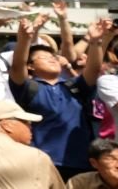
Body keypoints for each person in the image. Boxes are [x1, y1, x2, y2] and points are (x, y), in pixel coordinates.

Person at [10, 16, 112, 180]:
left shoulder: (74, 86)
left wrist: (96, 42)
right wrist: (23, 40)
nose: (51, 59)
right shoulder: (28, 88)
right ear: (30, 66)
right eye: (43, 57)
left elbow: (93, 68)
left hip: (80, 163)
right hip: (43, 163)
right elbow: (17, 66)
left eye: (53, 57)